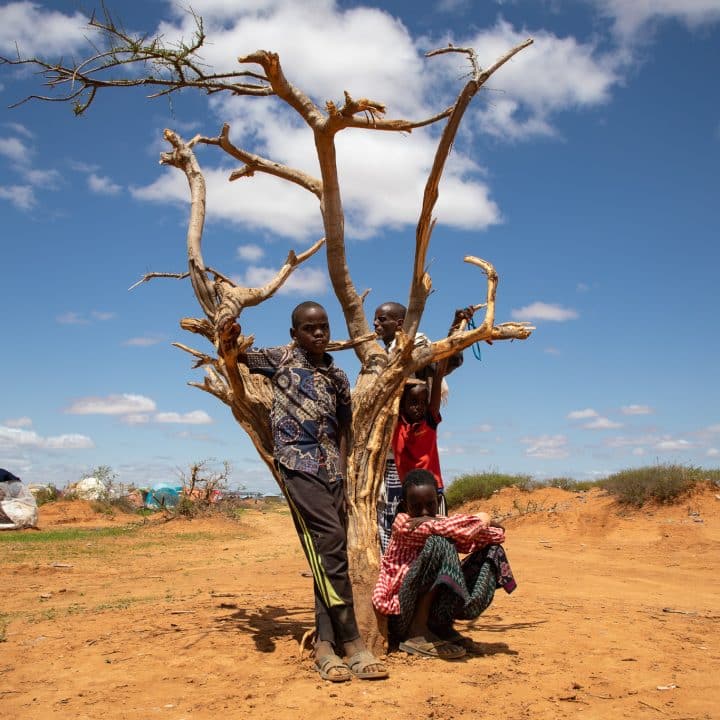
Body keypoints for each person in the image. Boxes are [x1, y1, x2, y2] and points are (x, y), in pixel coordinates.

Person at [219, 302, 387, 682]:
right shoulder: (281, 358)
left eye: (323, 327)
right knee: (329, 543)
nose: (319, 333)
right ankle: (353, 642)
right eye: (309, 328)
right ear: (294, 333)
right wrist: (229, 333)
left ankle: (324, 647)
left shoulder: (338, 375)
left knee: (328, 554)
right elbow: (239, 355)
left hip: (331, 471)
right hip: (297, 466)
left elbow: (345, 428)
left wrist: (343, 473)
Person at [372, 469, 515, 659]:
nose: (424, 512)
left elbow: (496, 535)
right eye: (416, 506)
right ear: (405, 506)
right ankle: (417, 631)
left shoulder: (443, 523)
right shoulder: (402, 523)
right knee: (440, 542)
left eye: (430, 504)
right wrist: (482, 518)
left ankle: (441, 627)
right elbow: (440, 528)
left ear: (439, 502)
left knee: (492, 551)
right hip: (402, 613)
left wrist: (486, 521)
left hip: (429, 605)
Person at [373, 302, 469, 552]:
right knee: (394, 524)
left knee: (429, 526)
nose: (376, 324)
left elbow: (443, 363)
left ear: (399, 324)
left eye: (382, 319)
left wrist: (456, 328)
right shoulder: (379, 356)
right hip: (390, 460)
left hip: (411, 469)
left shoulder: (416, 349)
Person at [392, 361, 448, 514]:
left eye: (424, 402)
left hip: (433, 491)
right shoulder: (396, 424)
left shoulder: (429, 422)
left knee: (438, 533)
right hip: (410, 493)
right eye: (414, 402)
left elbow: (435, 394)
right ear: (403, 405)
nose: (420, 407)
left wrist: (438, 375)